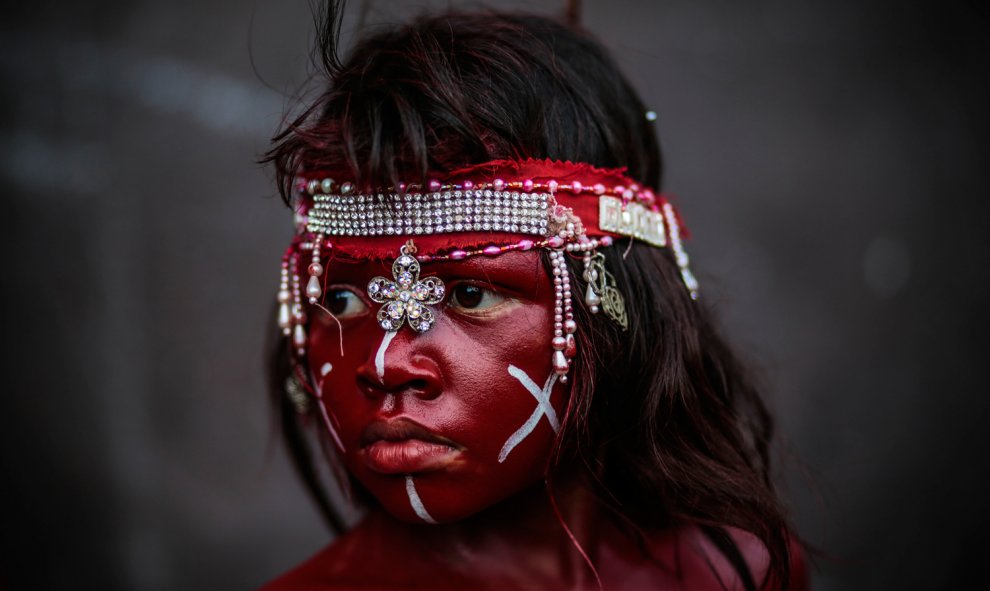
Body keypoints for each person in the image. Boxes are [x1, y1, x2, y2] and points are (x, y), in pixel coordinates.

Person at [260, 3, 807, 589]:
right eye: (341, 302)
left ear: (616, 309)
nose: (385, 362)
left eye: (470, 294)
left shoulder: (740, 576)